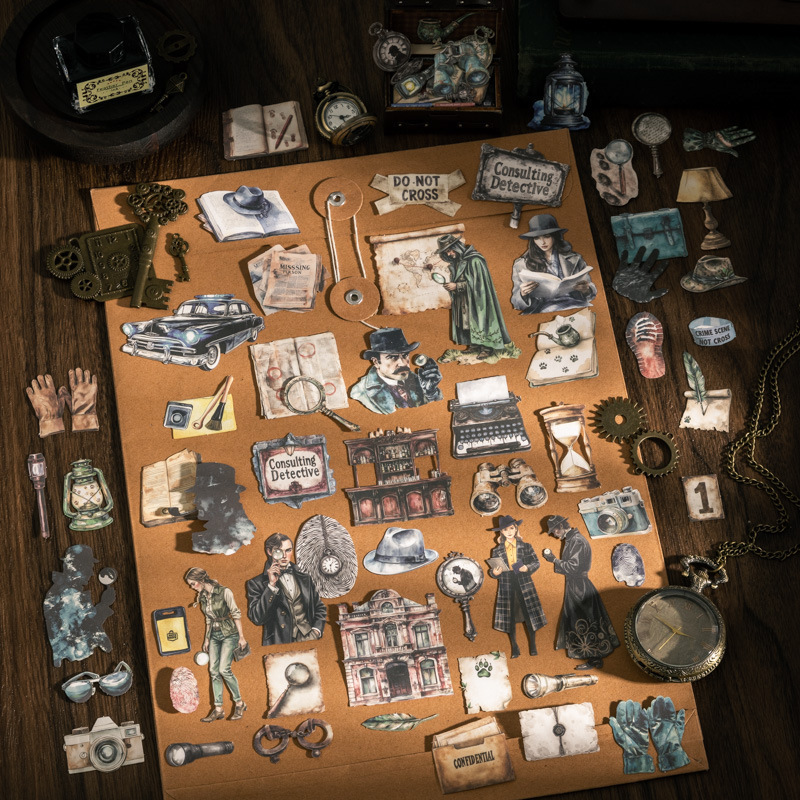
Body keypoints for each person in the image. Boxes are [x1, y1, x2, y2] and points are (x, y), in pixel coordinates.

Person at [542, 515, 620, 669]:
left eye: (554, 531)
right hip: (576, 584)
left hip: (579, 586)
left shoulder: (576, 540)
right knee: (583, 619)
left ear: (561, 526)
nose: (554, 534)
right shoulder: (572, 539)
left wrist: (553, 560)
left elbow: (573, 567)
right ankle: (592, 657)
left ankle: (595, 659)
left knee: (585, 619)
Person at [435, 233, 513, 360]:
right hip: (464, 299)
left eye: (450, 250)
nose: (449, 254)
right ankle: (475, 346)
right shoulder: (457, 262)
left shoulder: (474, 260)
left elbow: (478, 285)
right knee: (466, 322)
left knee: (480, 320)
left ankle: (487, 348)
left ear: (457, 246)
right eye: (446, 252)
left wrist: (457, 286)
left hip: (478, 300)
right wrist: (453, 287)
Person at [184, 567, 247, 722]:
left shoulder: (225, 592)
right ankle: (218, 709)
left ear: (201, 580)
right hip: (214, 635)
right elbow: (208, 619)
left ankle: (239, 703)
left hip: (229, 634)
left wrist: (241, 637)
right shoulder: (203, 597)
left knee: (224, 669)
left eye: (193, 583)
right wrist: (206, 639)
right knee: (213, 671)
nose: (192, 587)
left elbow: (236, 613)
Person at [246, 533, 327, 646]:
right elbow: (257, 619)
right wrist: (271, 586)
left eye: (288, 550)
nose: (284, 556)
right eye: (279, 551)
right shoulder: (256, 583)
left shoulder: (305, 578)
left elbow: (320, 607)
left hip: (309, 637)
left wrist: (316, 631)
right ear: (269, 552)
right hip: (279, 641)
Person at [510, 214, 597, 314]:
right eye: (537, 238)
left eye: (547, 236)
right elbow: (516, 303)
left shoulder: (575, 258)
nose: (542, 242)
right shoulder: (521, 265)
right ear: (532, 240)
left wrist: (586, 290)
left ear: (555, 236)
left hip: (574, 305)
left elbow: (591, 289)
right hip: (542, 310)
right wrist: (522, 294)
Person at [488, 515, 547, 658]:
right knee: (510, 617)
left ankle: (533, 646)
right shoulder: (497, 550)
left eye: (511, 528)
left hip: (524, 582)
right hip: (507, 584)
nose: (509, 532)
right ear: (501, 532)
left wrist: (527, 567)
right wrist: (494, 573)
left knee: (529, 615)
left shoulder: (526, 546)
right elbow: (493, 569)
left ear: (516, 529)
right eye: (505, 530)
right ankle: (515, 647)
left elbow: (536, 562)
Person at [350, 327, 442, 414]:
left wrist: (430, 391)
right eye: (392, 357)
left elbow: (433, 408)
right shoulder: (360, 392)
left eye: (405, 355)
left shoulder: (419, 381)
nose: (402, 363)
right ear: (376, 362)